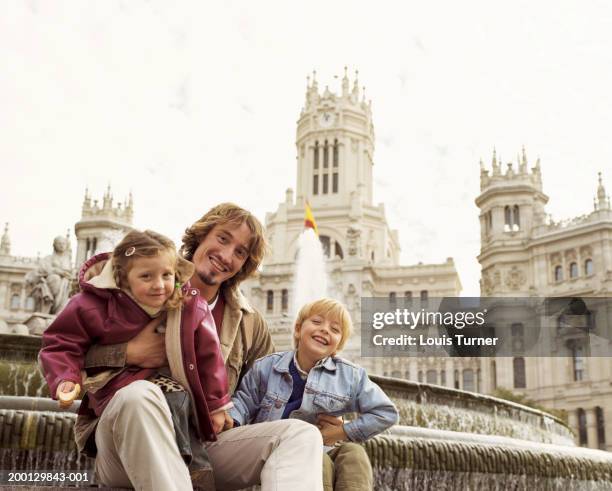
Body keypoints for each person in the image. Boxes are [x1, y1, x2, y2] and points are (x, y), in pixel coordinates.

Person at [83, 203, 324, 491]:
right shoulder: (142, 283)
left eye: (240, 252)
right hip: (125, 446)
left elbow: (271, 392)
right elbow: (67, 356)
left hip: (204, 451)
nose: (226, 255)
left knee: (301, 435)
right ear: (201, 235)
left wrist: (322, 409)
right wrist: (130, 352)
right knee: (139, 396)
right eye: (222, 238)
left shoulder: (250, 324)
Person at [39, 230, 230, 490]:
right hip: (117, 400)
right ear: (123, 279)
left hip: (168, 391)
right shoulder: (91, 305)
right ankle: (194, 466)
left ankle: (195, 466)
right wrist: (65, 378)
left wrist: (216, 404)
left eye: (166, 275)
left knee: (177, 397)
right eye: (146, 277)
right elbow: (61, 343)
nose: (159, 285)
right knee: (150, 397)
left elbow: (210, 356)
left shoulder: (188, 305)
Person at [230, 298, 399, 491]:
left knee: (354, 454)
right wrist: (231, 420)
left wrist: (342, 431)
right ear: (298, 330)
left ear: (338, 346)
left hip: (325, 447)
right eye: (317, 322)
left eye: (335, 330)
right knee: (319, 461)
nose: (325, 329)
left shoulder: (350, 376)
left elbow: (387, 413)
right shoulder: (266, 367)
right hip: (274, 448)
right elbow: (243, 402)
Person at [25, 235, 73, 314]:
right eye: (59, 243)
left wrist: (67, 275)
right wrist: (58, 271)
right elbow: (42, 270)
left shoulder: (68, 261)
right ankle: (51, 305)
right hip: (51, 281)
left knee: (65, 282)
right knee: (55, 278)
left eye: (63, 243)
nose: (61, 245)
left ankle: (58, 309)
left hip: (65, 284)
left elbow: (70, 274)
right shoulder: (48, 258)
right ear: (54, 245)